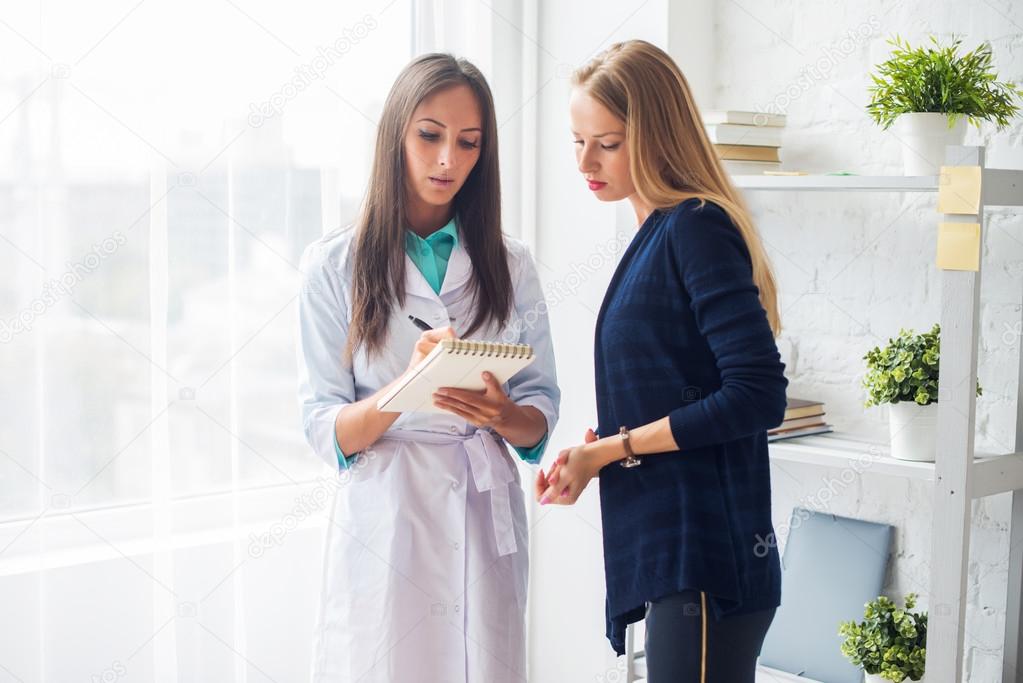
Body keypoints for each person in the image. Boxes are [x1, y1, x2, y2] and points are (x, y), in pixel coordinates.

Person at [297, 53, 559, 682]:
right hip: (388, 515)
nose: (448, 160)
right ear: (396, 136)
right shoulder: (333, 265)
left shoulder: (511, 264)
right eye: (430, 135)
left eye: (468, 143)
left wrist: (503, 415)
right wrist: (407, 390)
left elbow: (540, 418)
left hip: (481, 502)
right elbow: (322, 428)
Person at [536, 40, 788, 682]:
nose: (586, 161)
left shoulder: (694, 228)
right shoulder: (657, 234)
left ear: (654, 135)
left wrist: (614, 449)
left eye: (608, 143)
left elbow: (758, 394)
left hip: (706, 559)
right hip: (679, 555)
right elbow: (675, 387)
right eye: (577, 140)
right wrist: (596, 454)